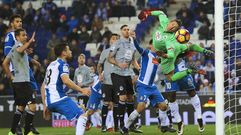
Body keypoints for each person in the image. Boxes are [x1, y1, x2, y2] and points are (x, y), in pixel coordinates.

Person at [138, 9, 213, 82]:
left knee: (170, 78)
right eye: (173, 24)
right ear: (170, 22)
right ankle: (192, 68)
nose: (172, 27)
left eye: (175, 28)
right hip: (165, 52)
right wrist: (148, 12)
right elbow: (160, 13)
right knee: (188, 47)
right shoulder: (164, 22)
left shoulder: (170, 40)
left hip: (171, 51)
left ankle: (204, 51)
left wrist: (165, 55)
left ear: (175, 31)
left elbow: (170, 54)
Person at [120, 32, 170, 135]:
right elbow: (138, 47)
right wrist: (134, 38)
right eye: (155, 45)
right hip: (142, 85)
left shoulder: (158, 58)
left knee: (164, 106)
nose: (157, 47)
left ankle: (164, 125)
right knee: (141, 107)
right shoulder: (146, 53)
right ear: (151, 46)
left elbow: (167, 56)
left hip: (152, 87)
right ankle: (125, 127)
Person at [41, 43, 91, 135]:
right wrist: (82, 90)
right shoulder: (63, 64)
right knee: (83, 115)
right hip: (58, 99)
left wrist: (45, 105)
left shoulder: (51, 65)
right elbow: (66, 81)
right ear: (64, 53)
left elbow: (43, 86)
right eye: (68, 50)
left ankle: (85, 123)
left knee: (82, 108)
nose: (70, 51)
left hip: (50, 102)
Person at [4, 14, 40, 134]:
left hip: (25, 70)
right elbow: (9, 52)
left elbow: (21, 52)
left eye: (21, 21)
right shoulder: (11, 36)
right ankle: (23, 127)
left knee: (28, 99)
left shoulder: (21, 39)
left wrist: (29, 56)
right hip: (18, 71)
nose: (19, 23)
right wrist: (25, 47)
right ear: (12, 24)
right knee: (29, 102)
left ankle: (24, 126)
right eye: (17, 21)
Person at [108, 25, 141, 133]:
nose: (127, 31)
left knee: (131, 98)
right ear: (121, 32)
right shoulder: (117, 43)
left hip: (127, 74)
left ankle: (130, 125)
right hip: (117, 73)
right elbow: (110, 58)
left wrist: (138, 67)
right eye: (124, 30)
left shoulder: (132, 46)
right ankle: (122, 125)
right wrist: (118, 64)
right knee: (122, 97)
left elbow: (133, 61)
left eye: (128, 29)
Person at [97, 33, 119, 132]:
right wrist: (100, 74)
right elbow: (99, 65)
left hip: (118, 82)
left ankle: (116, 126)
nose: (114, 40)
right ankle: (103, 125)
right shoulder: (105, 52)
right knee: (106, 103)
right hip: (107, 81)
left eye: (116, 39)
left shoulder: (121, 53)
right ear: (110, 41)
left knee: (116, 105)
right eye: (113, 38)